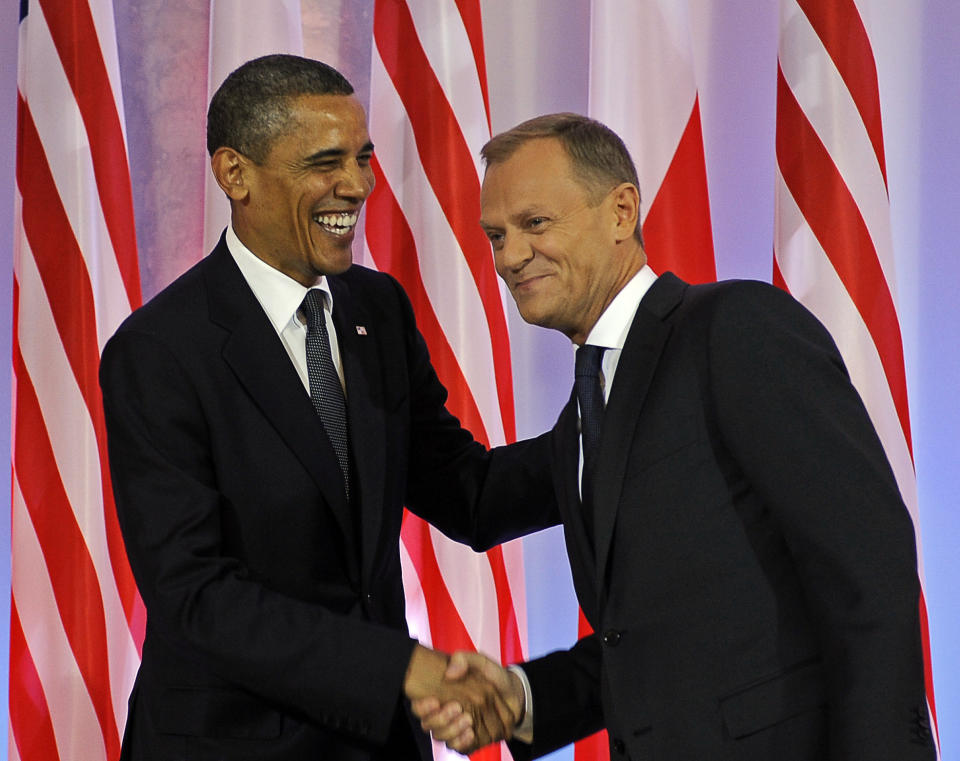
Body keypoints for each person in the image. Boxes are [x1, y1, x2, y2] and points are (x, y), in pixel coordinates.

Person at [416, 113, 936, 760]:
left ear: (621, 210)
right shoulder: (580, 422)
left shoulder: (734, 329)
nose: (510, 256)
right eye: (495, 235)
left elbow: (866, 564)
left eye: (534, 223)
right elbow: (642, 642)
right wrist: (523, 696)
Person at [99, 54, 555, 761]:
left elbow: (467, 491)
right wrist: (400, 667)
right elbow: (197, 595)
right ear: (234, 173)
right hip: (231, 745)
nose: (358, 184)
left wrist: (610, 431)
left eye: (363, 157)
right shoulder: (161, 351)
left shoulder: (377, 310)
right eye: (325, 162)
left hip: (378, 744)